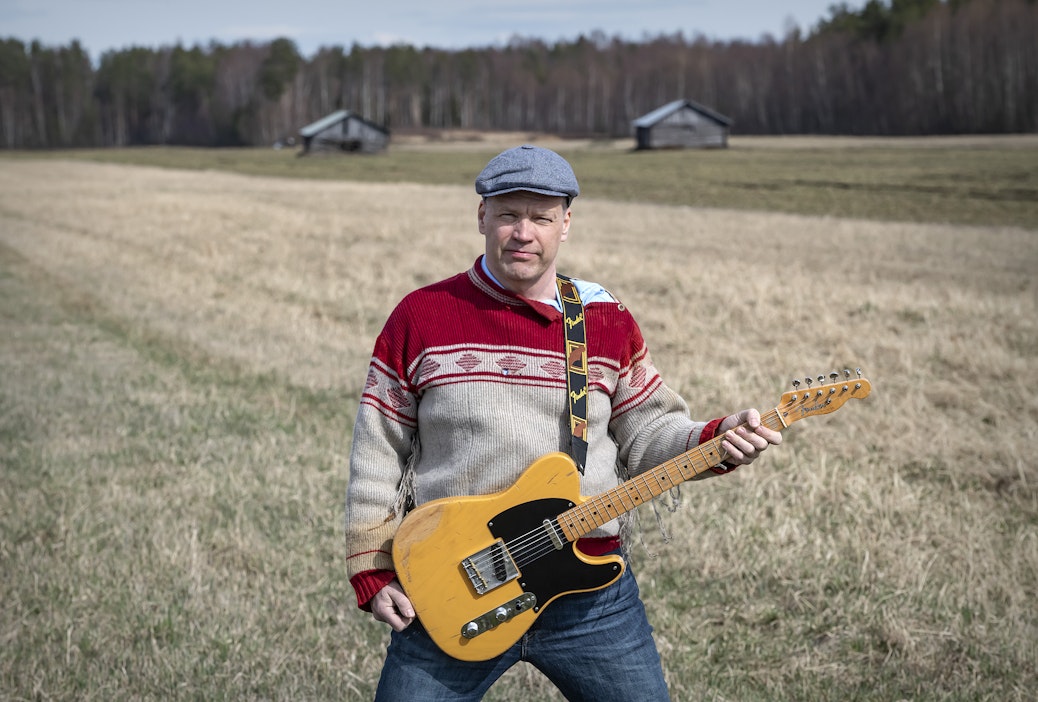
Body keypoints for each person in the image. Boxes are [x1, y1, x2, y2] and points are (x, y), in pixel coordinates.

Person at [345, 144, 782, 700]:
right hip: (455, 583)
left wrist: (716, 439)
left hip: (590, 598)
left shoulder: (604, 319)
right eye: (508, 214)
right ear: (482, 216)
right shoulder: (421, 316)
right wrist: (372, 568)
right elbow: (378, 449)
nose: (523, 233)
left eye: (542, 218)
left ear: (566, 224)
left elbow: (649, 433)